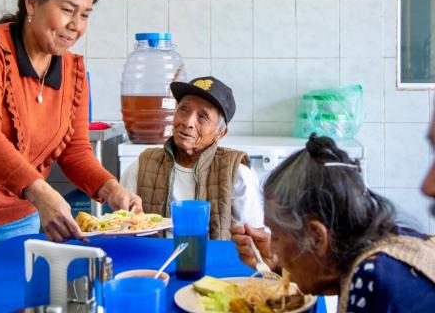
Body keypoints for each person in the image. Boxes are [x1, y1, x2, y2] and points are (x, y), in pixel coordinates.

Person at [0, 0, 141, 266]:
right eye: (68, 10)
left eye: (85, 15)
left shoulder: (74, 70)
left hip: (17, 221)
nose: (76, 26)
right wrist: (41, 193)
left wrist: (112, 190)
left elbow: (76, 151)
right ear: (32, 4)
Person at [231, 134, 435, 312]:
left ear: (317, 237)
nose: (272, 245)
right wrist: (278, 265)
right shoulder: (391, 242)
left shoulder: (372, 279)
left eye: (275, 235)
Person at [121, 76, 265, 239]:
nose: (188, 122)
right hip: (151, 262)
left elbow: (252, 240)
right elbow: (122, 228)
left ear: (220, 133)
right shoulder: (143, 165)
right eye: (184, 109)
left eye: (202, 117)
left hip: (212, 262)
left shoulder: (237, 174)